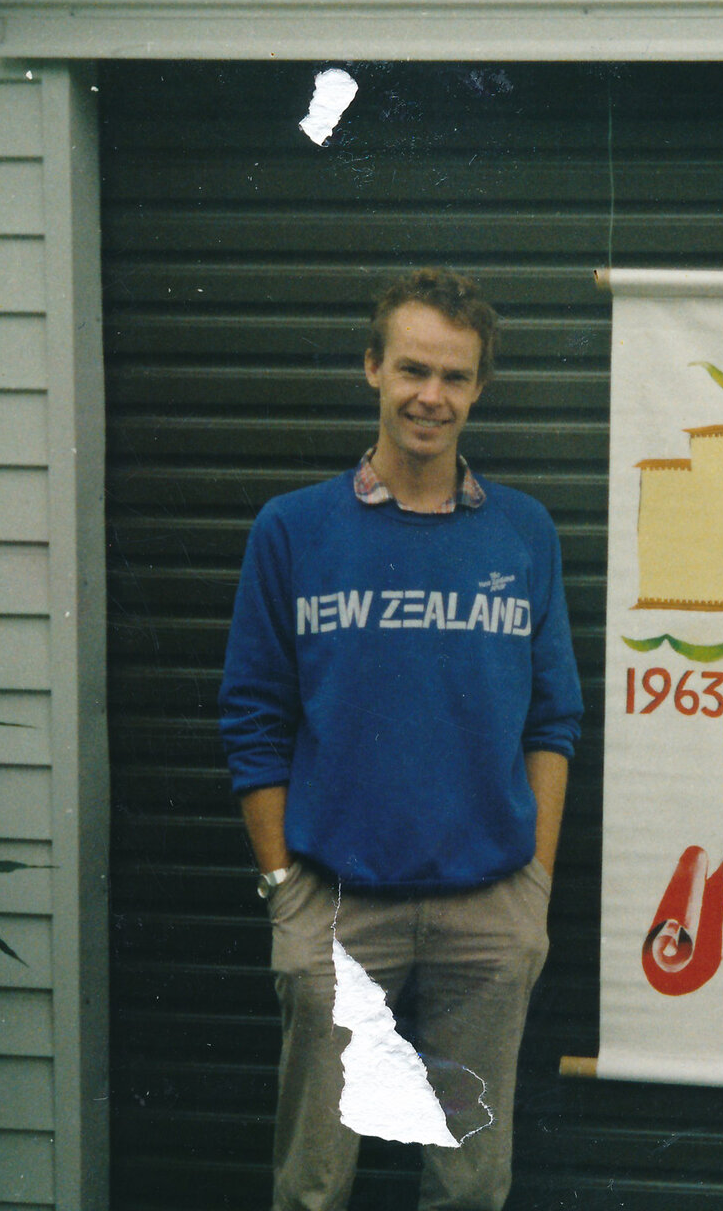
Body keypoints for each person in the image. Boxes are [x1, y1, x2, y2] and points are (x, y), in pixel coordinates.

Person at [219, 267, 583, 1210]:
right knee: (312, 1185)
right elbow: (254, 717)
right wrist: (280, 888)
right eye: (413, 369)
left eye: (455, 377)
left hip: (489, 911)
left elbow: (554, 720)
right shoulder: (293, 530)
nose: (432, 397)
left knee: (468, 1186)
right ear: (373, 369)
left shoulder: (523, 533)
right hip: (335, 909)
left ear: (478, 390)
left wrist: (533, 886)